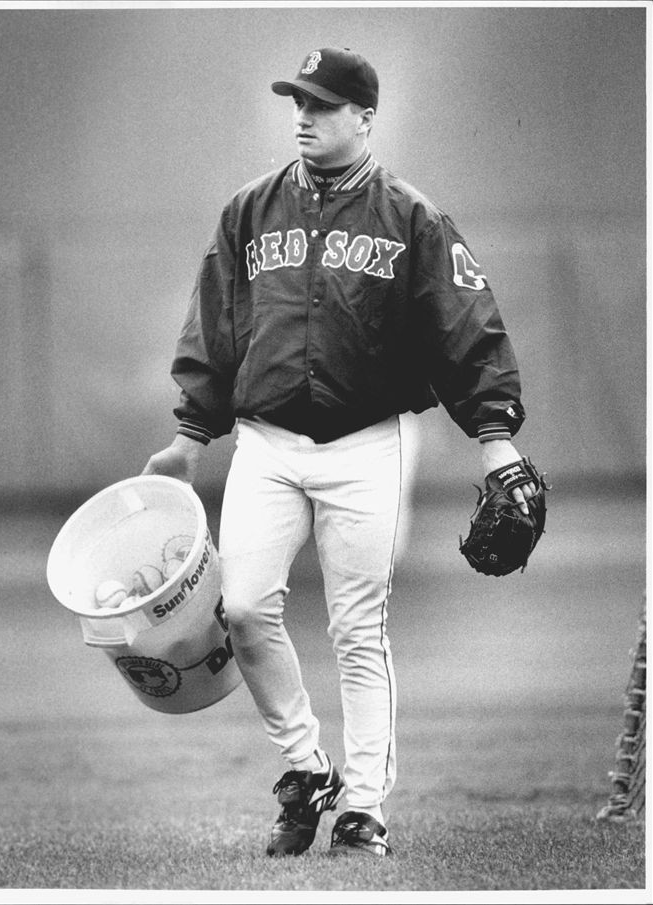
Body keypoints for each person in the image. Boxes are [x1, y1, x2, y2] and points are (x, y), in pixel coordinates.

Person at [142, 46, 535, 858]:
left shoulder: (411, 218)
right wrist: (188, 438)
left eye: (320, 106)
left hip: (366, 445)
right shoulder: (249, 212)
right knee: (244, 608)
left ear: (364, 119)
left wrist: (495, 441)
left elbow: (467, 328)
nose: (302, 117)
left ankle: (364, 807)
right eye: (297, 102)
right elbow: (214, 328)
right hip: (266, 443)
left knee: (359, 627)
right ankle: (304, 764)